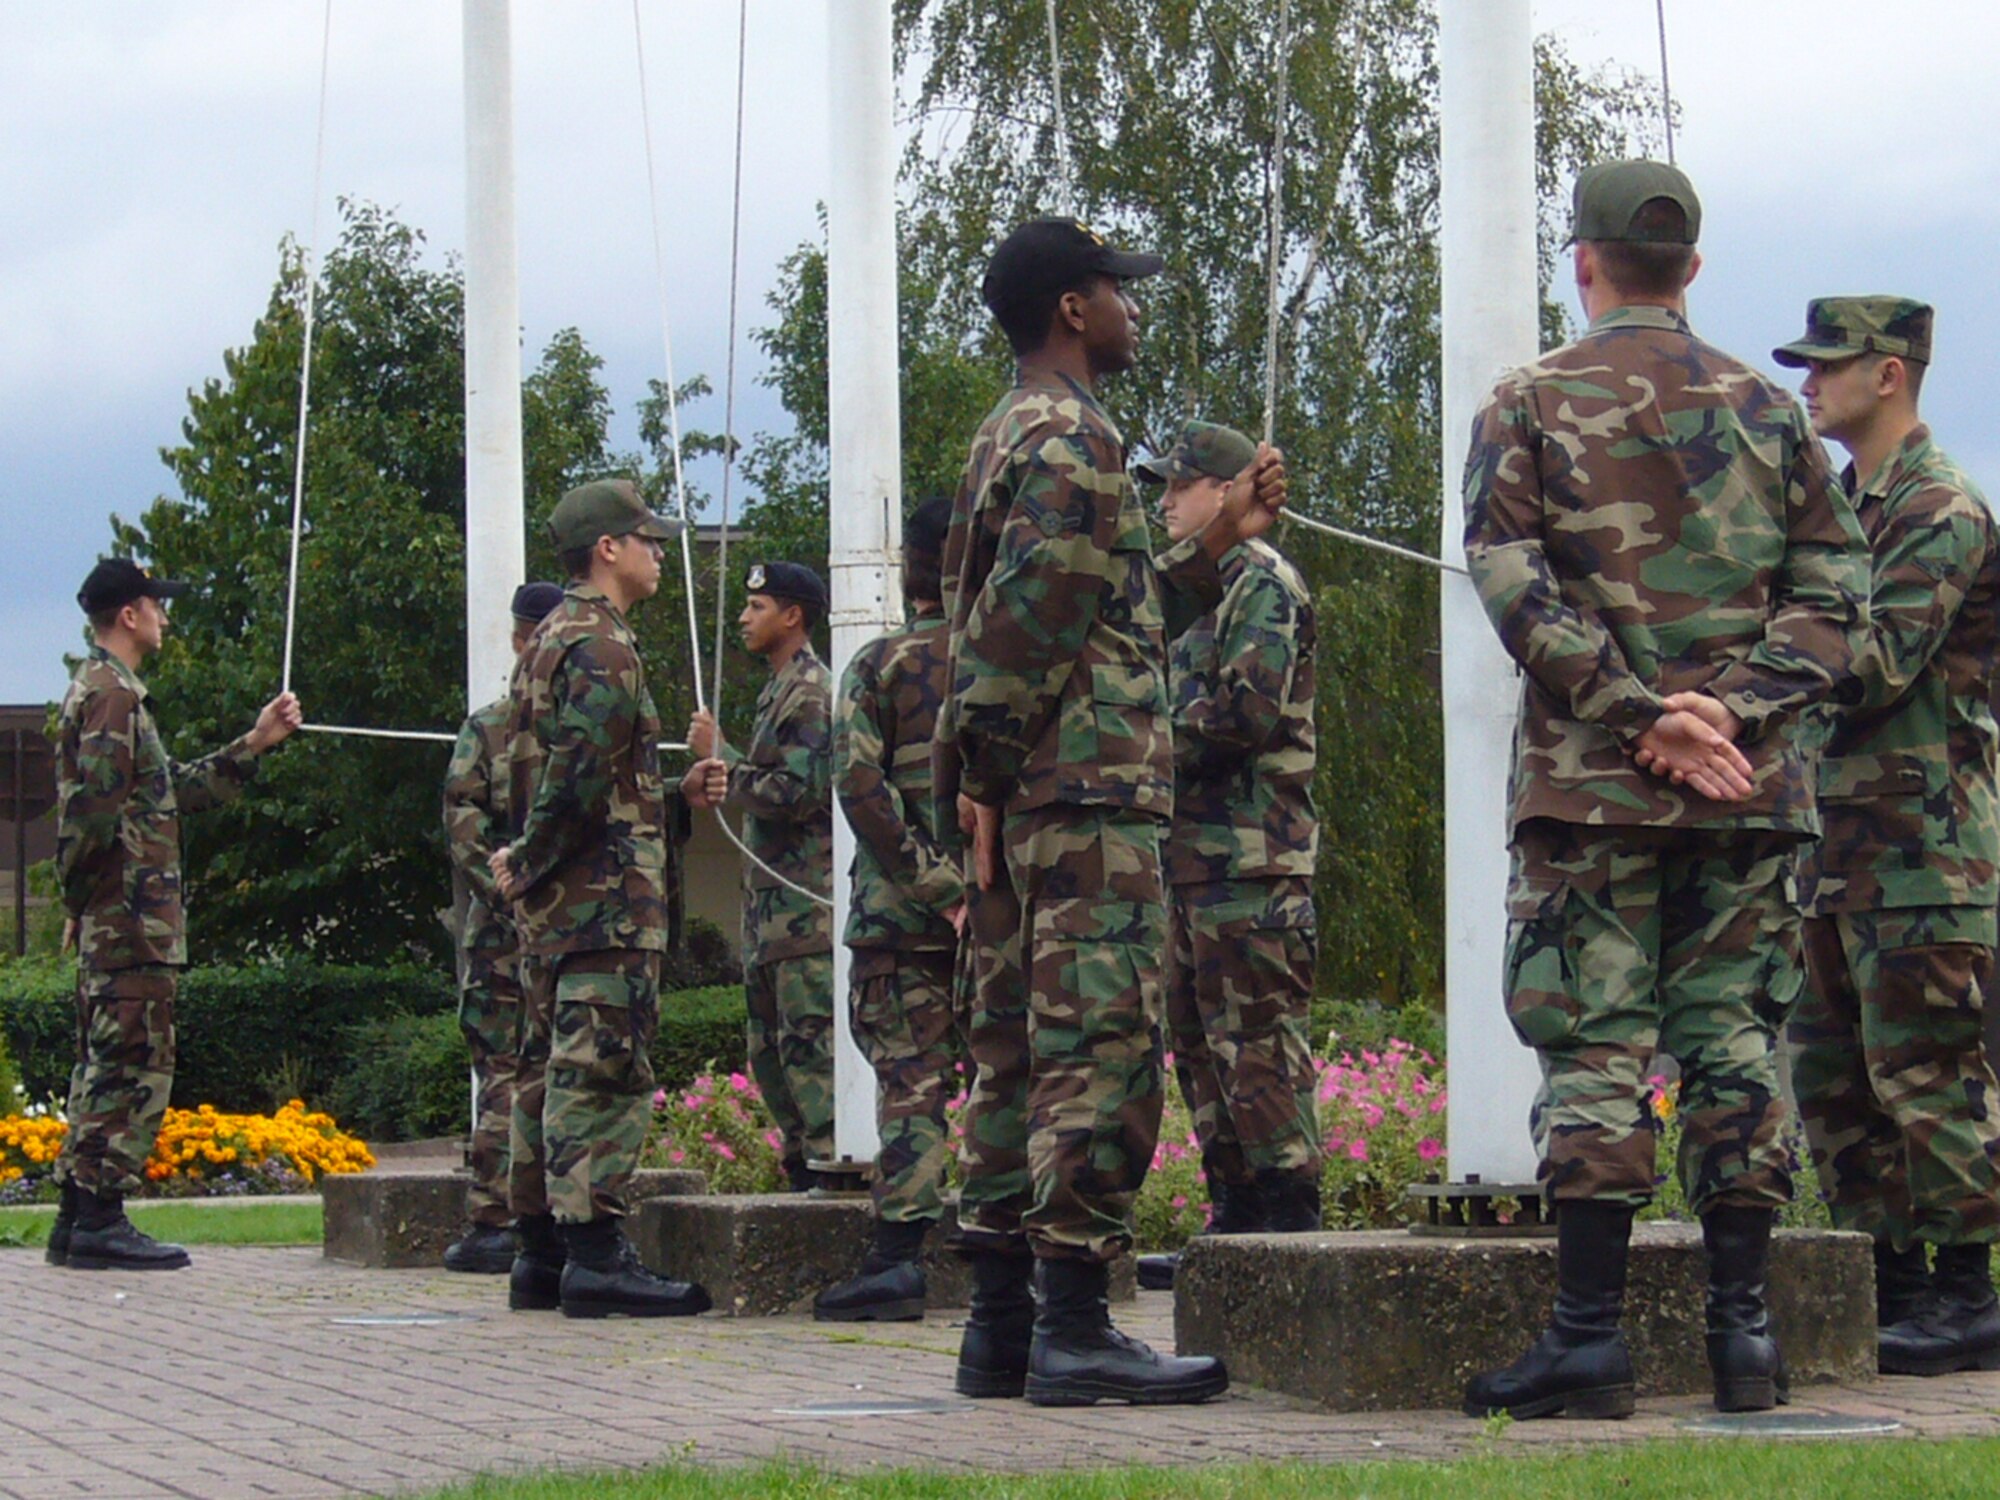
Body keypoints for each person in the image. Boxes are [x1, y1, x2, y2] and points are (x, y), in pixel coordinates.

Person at [1459, 161, 1869, 1419]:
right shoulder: (1770, 411)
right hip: (1746, 794)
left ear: (1578, 261)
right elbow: (1837, 598)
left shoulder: (1526, 402)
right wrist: (1727, 711)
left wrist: (1640, 715)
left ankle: (1587, 1341)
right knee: (1737, 1047)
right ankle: (1741, 1343)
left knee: (1592, 1047)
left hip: (1590, 796)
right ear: (1690, 267)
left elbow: (1509, 580)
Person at [935, 216, 1289, 1407]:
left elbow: (1100, 603)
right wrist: (979, 774)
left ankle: (998, 1327)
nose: (1132, 308)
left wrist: (1219, 542)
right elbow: (1030, 620)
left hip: (1035, 794)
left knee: (1007, 1053)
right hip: (1083, 799)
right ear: (1070, 311)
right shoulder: (1071, 436)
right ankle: (1075, 1326)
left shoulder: (1011, 432)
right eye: (1115, 291)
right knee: (1098, 1050)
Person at [1772, 298, 2000, 1376]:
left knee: (1928, 1073)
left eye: (1829, 365)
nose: (1809, 383)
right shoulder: (1848, 504)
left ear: (1889, 374)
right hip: (1836, 850)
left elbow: (1872, 663)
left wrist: (1741, 675)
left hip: (1922, 848)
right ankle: (1894, 1279)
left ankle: (1966, 1292)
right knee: (1833, 1076)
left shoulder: (1937, 505)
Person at [490, 478, 710, 1319]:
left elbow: (582, 771)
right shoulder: (604, 646)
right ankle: (596, 1254)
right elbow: (579, 779)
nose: (658, 553)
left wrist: (672, 790)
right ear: (607, 550)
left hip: (564, 909)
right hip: (604, 902)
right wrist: (534, 857)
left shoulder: (549, 638)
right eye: (646, 539)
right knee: (604, 1071)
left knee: (549, 1071)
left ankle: (541, 1253)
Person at [49, 558, 302, 1270]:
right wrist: (81, 900)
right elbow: (91, 815)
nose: (165, 615)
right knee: (135, 1060)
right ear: (129, 614)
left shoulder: (109, 692)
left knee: (104, 1061)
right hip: (129, 919)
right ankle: (100, 1214)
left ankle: (77, 1216)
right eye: (157, 604)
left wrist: (254, 744)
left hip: (124, 915)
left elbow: (164, 794)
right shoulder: (112, 697)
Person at [1130, 420, 1323, 1293]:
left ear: (1226, 488)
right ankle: (1236, 1223)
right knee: (1201, 1044)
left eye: (1179, 485)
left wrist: (1138, 742)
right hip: (1197, 863)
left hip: (1252, 862)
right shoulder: (1207, 592)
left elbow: (1245, 714)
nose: (1164, 501)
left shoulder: (1264, 585)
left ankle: (1288, 1227)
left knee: (1256, 1045)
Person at [815, 497, 967, 1322]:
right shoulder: (1002, 665)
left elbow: (860, 787)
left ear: (907, 566)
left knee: (912, 1080)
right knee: (1013, 1079)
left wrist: (933, 886)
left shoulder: (879, 666)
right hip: (1002, 918)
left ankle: (899, 1256)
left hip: (901, 922)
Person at [682, 563, 836, 1193]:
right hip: (770, 915)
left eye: (757, 605)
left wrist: (724, 761)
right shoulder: (778, 691)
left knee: (810, 1054)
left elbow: (802, 791)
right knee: (771, 1058)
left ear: (793, 615)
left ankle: (832, 1179)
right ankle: (802, 1169)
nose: (744, 618)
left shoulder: (812, 693)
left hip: (805, 912)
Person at [439, 580, 566, 1274]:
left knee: (548, 1069)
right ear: (521, 640)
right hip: (501, 936)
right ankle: (494, 1214)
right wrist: (508, 889)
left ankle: (538, 1209)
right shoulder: (489, 728)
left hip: (559, 930)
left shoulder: (568, 728)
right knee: (503, 1070)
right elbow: (463, 823)